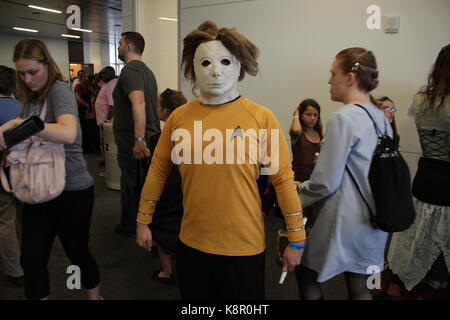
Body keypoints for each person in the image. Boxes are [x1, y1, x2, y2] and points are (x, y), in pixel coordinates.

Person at [136, 20, 305, 300]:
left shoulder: (262, 118)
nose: (215, 70)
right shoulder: (179, 118)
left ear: (239, 67)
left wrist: (297, 238)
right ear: (193, 68)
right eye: (205, 63)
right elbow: (158, 170)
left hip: (243, 248)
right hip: (191, 245)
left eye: (225, 61)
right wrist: (143, 219)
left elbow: (283, 180)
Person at [0, 39, 101, 300]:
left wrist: (24, 124)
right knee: (32, 260)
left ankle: (93, 296)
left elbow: (67, 133)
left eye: (33, 71)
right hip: (36, 186)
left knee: (77, 252)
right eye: (22, 73)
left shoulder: (59, 91)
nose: (28, 78)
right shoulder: (29, 99)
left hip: (71, 189)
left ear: (46, 64)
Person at [296, 48, 391, 300]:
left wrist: (295, 195)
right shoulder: (380, 118)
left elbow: (325, 182)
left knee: (305, 272)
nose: (329, 80)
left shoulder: (343, 119)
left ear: (349, 78)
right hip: (376, 217)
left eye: (332, 74)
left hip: (345, 218)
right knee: (359, 285)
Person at [384, 44, 450, 300]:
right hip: (446, 184)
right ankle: (436, 285)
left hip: (426, 178)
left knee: (419, 238)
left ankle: (417, 284)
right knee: (442, 244)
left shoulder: (420, 100)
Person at [112, 31, 160, 236]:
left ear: (130, 46)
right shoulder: (146, 71)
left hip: (137, 142)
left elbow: (138, 103)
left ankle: (135, 226)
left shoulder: (130, 70)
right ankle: (131, 223)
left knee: (134, 186)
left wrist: (139, 140)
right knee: (134, 183)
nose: (118, 47)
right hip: (145, 139)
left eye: (121, 43)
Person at [150, 88, 186, 285]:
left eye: (157, 106)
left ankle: (166, 271)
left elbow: (154, 173)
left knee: (161, 229)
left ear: (165, 112)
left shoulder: (157, 139)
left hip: (166, 193)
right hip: (186, 191)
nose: (156, 109)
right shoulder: (193, 137)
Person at [0, 65, 24, 287]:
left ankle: (15, 270)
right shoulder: (22, 108)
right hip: (23, 172)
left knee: (5, 219)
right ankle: (26, 258)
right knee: (19, 216)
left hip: (3, 172)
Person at [289, 98, 323, 229]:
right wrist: (295, 114)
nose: (312, 118)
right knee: (299, 222)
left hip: (313, 182)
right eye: (308, 114)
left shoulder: (319, 134)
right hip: (298, 181)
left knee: (314, 222)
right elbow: (296, 129)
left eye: (315, 115)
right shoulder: (297, 134)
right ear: (301, 115)